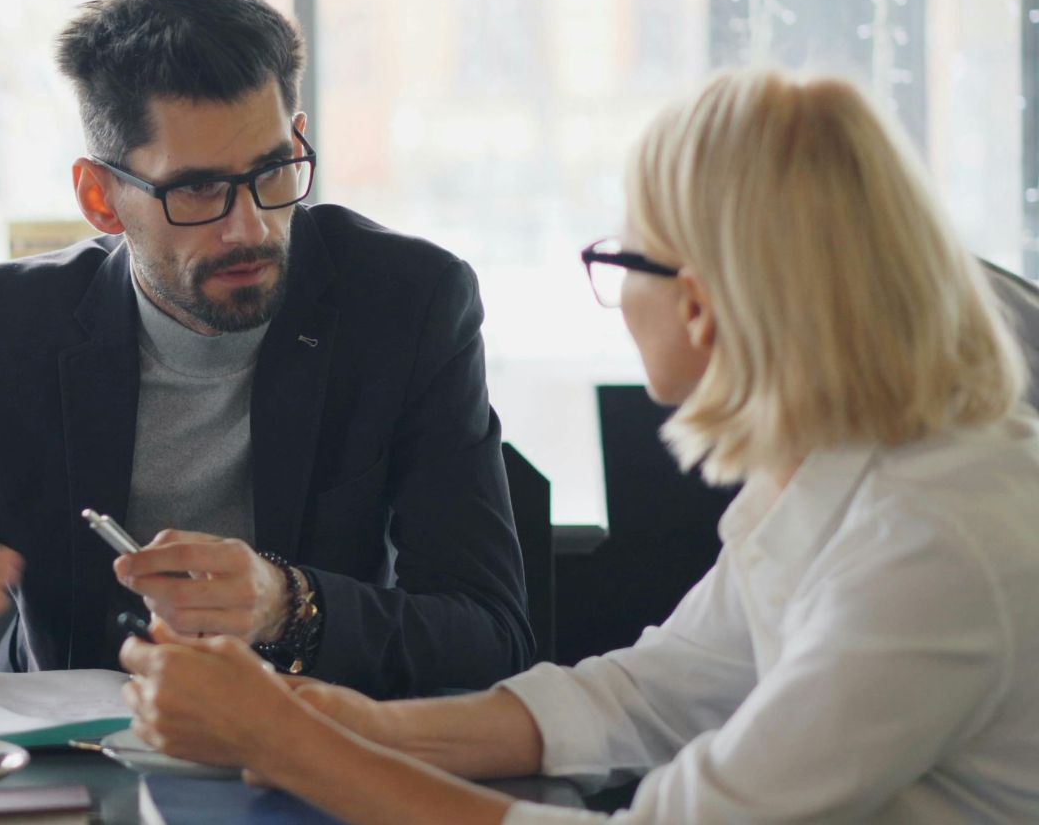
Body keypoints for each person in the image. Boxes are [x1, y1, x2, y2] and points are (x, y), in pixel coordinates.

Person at [118, 68, 1039, 823]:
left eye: (624, 255)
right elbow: (653, 695)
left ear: (702, 303)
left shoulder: (931, 540)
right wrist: (360, 727)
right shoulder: (835, 474)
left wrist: (290, 746)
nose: (614, 285)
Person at [0, 0, 531, 725]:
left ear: (299, 139)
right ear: (100, 199)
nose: (249, 227)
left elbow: (490, 632)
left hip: (312, 752)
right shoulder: (2, 325)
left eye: (273, 171)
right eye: (197, 191)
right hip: (74, 763)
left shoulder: (406, 304)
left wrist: (289, 605)